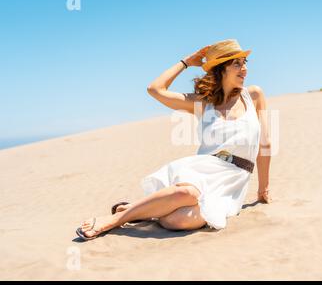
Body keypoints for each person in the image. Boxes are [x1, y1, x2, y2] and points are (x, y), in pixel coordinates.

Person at [76, 39, 272, 241]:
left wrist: (263, 188)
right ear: (221, 69)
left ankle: (139, 209)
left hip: (234, 179)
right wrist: (186, 62)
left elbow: (265, 143)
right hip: (204, 168)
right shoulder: (202, 103)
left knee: (177, 220)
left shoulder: (254, 95)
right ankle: (114, 220)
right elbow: (155, 90)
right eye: (236, 63)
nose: (245, 69)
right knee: (186, 193)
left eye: (245, 62)